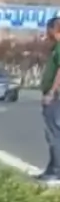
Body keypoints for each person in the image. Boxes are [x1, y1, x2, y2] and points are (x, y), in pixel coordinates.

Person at [39, 16, 60, 183]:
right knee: (52, 134)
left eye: (48, 29)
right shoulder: (55, 48)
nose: (46, 33)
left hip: (56, 96)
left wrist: (52, 92)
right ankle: (51, 168)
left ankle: (56, 170)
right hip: (54, 95)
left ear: (54, 29)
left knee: (54, 134)